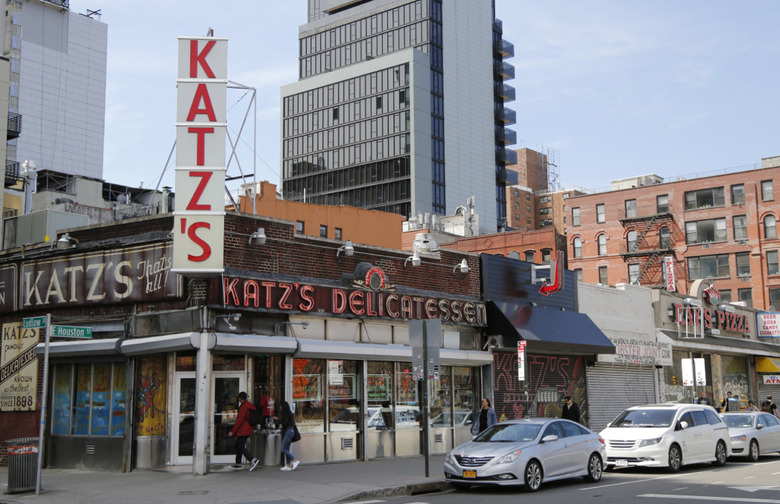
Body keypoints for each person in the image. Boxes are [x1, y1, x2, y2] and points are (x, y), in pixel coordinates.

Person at [227, 391, 260, 471]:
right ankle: (238, 464)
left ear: (240, 398)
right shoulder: (249, 405)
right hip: (248, 428)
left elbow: (239, 420)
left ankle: (252, 459)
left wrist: (233, 431)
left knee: (240, 446)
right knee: (238, 446)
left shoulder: (243, 407)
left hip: (244, 429)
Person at [274, 400, 300, 471]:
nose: (280, 407)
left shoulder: (287, 414)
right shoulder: (287, 414)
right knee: (287, 448)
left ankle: (294, 460)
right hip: (289, 431)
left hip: (289, 431)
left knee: (283, 448)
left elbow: (285, 423)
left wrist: (278, 421)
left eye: (280, 406)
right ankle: (288, 465)